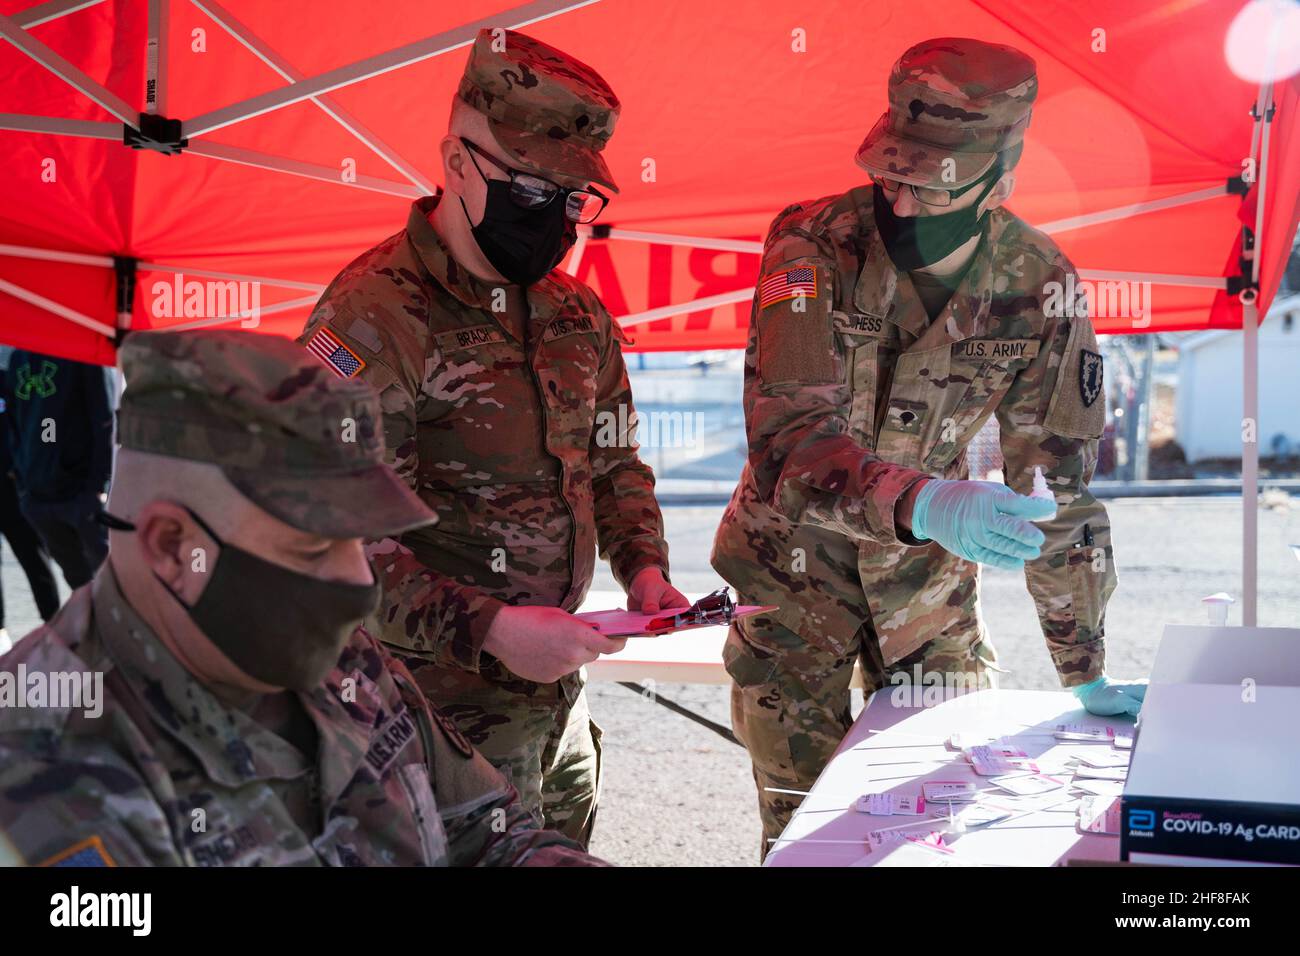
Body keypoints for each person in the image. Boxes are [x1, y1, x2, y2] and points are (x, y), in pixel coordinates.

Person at [711, 37, 1146, 854]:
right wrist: (926, 500)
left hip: (928, 598)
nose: (903, 206)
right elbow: (789, 443)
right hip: (791, 579)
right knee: (805, 833)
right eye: (894, 175)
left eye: (933, 187)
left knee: (946, 823)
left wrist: (1081, 661)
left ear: (1001, 178)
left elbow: (1060, 487)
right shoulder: (812, 245)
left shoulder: (1038, 283)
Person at [0, 330, 602, 867]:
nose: (360, 585)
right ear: (172, 546)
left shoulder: (329, 652)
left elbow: (489, 832)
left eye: (359, 539)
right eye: (313, 548)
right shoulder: (42, 765)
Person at [297, 29, 685, 847]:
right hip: (428, 717)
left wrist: (643, 568)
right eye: (533, 191)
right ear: (456, 160)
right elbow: (326, 540)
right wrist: (494, 630)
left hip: (557, 696)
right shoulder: (374, 316)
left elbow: (615, 461)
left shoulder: (575, 313)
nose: (557, 220)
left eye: (574, 199)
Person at [2, 348, 114, 589]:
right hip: (37, 497)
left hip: (82, 495)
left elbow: (105, 420)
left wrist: (98, 486)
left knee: (113, 582)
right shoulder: (18, 357)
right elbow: (12, 421)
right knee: (79, 585)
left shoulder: (85, 353)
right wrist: (22, 482)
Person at [0, 359, 61, 653]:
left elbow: (24, 421)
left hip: (12, 486)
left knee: (34, 557)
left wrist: (20, 466)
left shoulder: (8, 377)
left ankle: (55, 627)